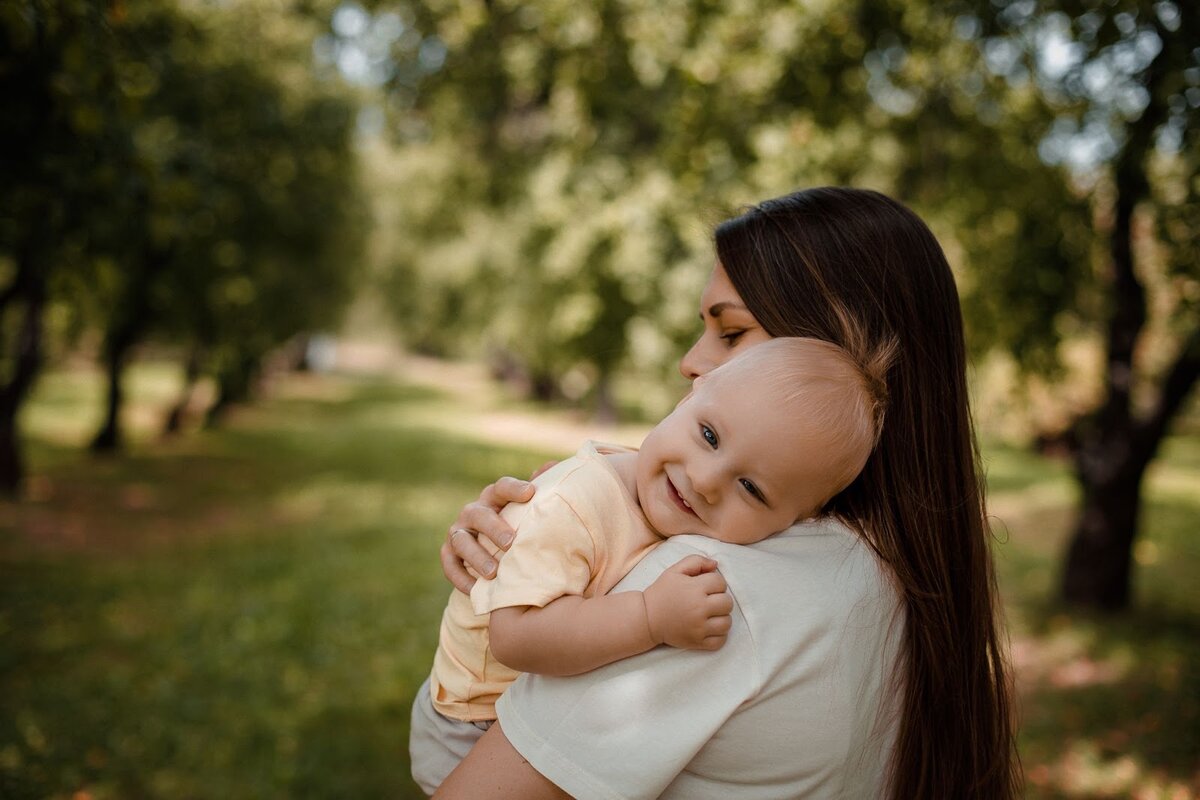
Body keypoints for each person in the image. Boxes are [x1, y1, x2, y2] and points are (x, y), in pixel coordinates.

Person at [435, 187, 1019, 799]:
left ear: (831, 356)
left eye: (732, 333)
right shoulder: (893, 574)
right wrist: (554, 537)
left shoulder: (707, 591)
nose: (692, 362)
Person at [411, 337, 893, 794]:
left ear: (799, 521)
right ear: (691, 395)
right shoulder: (576, 504)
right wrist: (648, 617)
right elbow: (515, 637)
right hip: (469, 724)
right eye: (708, 435)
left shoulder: (675, 497)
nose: (705, 480)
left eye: (751, 489)